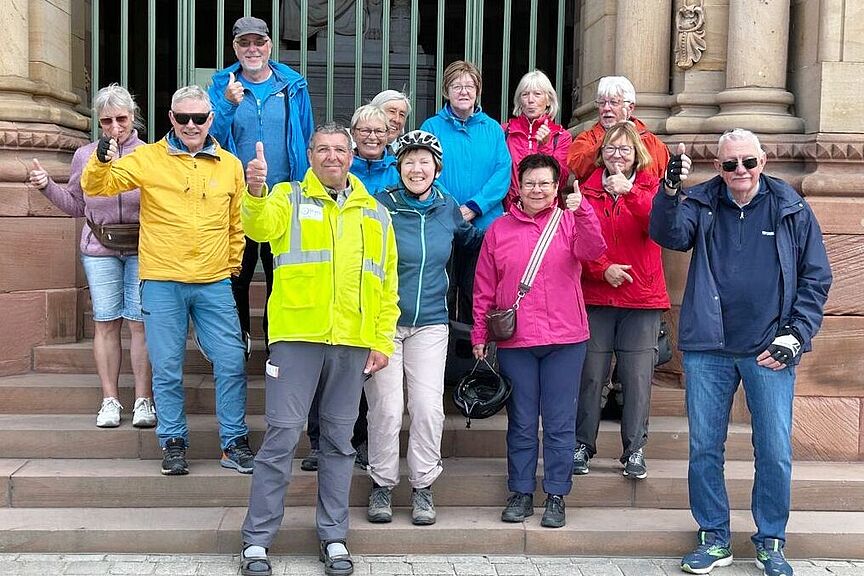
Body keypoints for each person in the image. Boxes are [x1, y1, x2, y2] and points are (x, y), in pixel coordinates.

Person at [649, 129, 832, 576]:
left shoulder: (791, 207)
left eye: (748, 162)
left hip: (770, 348)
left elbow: (816, 278)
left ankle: (771, 540)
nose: (740, 172)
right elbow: (668, 234)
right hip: (709, 347)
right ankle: (714, 537)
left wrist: (795, 335)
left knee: (773, 448)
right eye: (730, 164)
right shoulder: (702, 200)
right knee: (704, 447)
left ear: (763, 161)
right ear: (718, 167)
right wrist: (669, 189)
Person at [238, 123, 399, 576]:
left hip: (351, 343)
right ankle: (256, 541)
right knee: (283, 436)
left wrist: (382, 340)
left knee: (338, 442)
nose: (332, 156)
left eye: (339, 150)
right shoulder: (286, 198)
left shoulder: (375, 213)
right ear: (310, 154)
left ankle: (333, 537)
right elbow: (258, 225)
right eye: (323, 149)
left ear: (352, 156)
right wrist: (254, 189)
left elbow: (388, 286)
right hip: (296, 339)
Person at [81, 85, 254, 477]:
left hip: (212, 282)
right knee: (167, 366)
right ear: (172, 119)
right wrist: (101, 159)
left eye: (199, 118)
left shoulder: (229, 165)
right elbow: (96, 187)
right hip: (162, 280)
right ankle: (173, 441)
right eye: (183, 117)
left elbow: (235, 225)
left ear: (211, 119)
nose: (191, 125)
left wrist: (229, 268)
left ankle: (234, 442)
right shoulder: (147, 158)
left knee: (230, 361)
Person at [471, 153, 605, 529]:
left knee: (561, 423)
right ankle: (521, 492)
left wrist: (585, 212)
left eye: (545, 183)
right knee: (522, 421)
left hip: (566, 338)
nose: (537, 189)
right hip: (517, 340)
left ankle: (557, 494)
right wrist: (480, 333)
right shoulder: (499, 229)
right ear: (519, 185)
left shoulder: (568, 221)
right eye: (530, 182)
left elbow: (594, 252)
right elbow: (484, 286)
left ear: (555, 186)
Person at [366, 130, 484, 526]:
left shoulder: (447, 207)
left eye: (425, 161)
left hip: (431, 322)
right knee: (387, 408)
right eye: (409, 161)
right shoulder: (380, 206)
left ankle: (422, 485)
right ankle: (382, 483)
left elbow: (472, 243)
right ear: (398, 167)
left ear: (437, 168)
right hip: (385, 323)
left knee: (428, 408)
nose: (417, 168)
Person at [28, 83, 155, 429]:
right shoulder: (84, 155)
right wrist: (46, 187)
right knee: (106, 321)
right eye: (107, 121)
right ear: (99, 123)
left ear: (134, 118)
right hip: (99, 249)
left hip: (142, 248)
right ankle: (110, 400)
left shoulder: (149, 154)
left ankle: (144, 400)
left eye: (122, 119)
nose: (115, 128)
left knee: (140, 324)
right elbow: (76, 205)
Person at [301, 105, 398, 474]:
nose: (372, 136)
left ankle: (353, 444)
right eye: (365, 130)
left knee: (356, 385)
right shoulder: (329, 176)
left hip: (367, 290)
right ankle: (317, 441)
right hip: (322, 298)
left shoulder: (396, 171)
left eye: (380, 130)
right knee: (320, 380)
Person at [208, 16, 315, 349]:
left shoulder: (293, 86)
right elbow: (208, 138)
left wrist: (303, 188)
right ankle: (239, 342)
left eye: (259, 42)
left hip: (282, 196)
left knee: (279, 274)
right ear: (235, 48)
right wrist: (227, 103)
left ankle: (275, 341)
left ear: (269, 45)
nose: (252, 49)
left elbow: (307, 137)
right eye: (244, 43)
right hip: (236, 198)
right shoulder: (222, 86)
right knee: (237, 274)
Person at [572, 121, 669, 480]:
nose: (617, 155)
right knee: (591, 375)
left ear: (637, 155)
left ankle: (635, 450)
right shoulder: (585, 191)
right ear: (601, 154)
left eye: (625, 149)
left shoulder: (651, 188)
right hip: (597, 295)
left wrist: (630, 192)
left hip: (640, 298)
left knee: (637, 377)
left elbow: (658, 227)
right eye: (611, 149)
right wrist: (603, 269)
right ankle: (582, 444)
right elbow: (576, 239)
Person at [420, 60, 511, 323]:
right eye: (456, 85)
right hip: (442, 222)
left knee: (477, 293)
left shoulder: (492, 128)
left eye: (469, 86)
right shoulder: (431, 127)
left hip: (484, 225)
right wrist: (453, 209)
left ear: (477, 91)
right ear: (446, 91)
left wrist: (473, 207)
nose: (463, 91)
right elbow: (426, 172)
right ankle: (443, 360)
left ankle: (474, 356)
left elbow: (502, 172)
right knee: (442, 293)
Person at [566, 76, 669, 184]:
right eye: (602, 103)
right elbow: (578, 169)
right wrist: (609, 138)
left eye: (614, 103)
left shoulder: (653, 144)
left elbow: (662, 188)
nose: (606, 108)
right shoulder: (586, 139)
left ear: (630, 107)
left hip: (640, 200)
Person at [502, 70, 572, 212]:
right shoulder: (505, 132)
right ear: (519, 100)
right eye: (525, 94)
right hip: (511, 211)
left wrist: (545, 146)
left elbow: (561, 180)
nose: (530, 100)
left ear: (548, 100)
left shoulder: (561, 136)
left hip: (547, 213)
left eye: (537, 94)